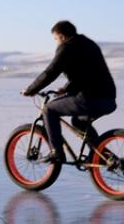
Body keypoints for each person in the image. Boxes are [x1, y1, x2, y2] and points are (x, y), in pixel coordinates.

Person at [20, 20, 116, 162]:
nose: (56, 43)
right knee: (79, 122)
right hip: (108, 99)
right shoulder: (89, 44)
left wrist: (30, 90)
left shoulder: (66, 47)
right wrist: (66, 89)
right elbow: (86, 73)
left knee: (49, 110)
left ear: (62, 36)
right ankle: (102, 156)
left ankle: (56, 152)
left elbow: (50, 72)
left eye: (55, 39)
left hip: (89, 98)